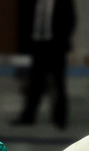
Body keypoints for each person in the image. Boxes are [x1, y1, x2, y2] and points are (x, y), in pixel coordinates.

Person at [14, 0, 76, 129]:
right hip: (38, 46)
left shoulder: (63, 3)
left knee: (59, 83)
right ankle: (28, 117)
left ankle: (60, 119)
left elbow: (70, 21)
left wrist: (62, 40)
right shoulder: (33, 3)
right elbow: (25, 20)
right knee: (35, 83)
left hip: (56, 47)